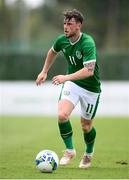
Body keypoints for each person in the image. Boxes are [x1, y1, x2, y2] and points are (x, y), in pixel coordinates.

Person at [36, 9, 101, 169]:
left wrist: (65, 78)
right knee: (62, 115)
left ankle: (88, 153)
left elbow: (89, 71)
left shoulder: (87, 42)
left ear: (79, 25)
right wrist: (44, 71)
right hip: (72, 84)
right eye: (64, 23)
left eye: (69, 24)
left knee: (86, 126)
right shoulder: (61, 40)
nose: (65, 27)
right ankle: (70, 151)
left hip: (91, 88)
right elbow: (52, 52)